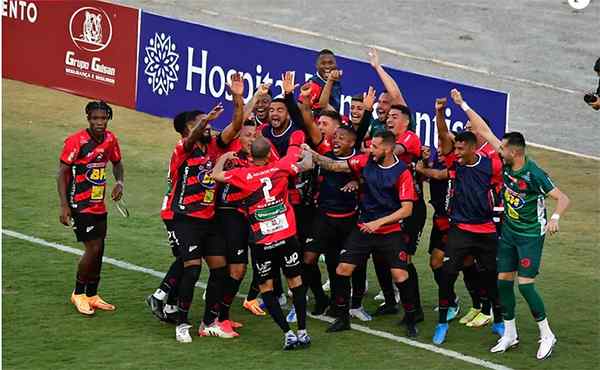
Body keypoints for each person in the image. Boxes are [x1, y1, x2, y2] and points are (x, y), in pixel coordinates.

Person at [460, 89, 570, 360]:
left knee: (526, 285)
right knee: (503, 283)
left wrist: (555, 218)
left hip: (531, 235)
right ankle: (510, 334)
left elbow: (563, 198)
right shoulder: (507, 160)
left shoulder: (534, 174)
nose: (500, 150)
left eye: (504, 148)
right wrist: (462, 104)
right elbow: (483, 130)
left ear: (515, 152)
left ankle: (547, 334)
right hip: (509, 232)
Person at [156, 73, 246, 343]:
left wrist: (238, 98)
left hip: (210, 220)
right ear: (187, 129)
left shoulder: (215, 148)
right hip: (186, 219)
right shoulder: (181, 150)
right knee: (192, 269)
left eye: (205, 123)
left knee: (220, 270)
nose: (207, 128)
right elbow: (193, 136)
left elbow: (237, 125)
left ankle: (209, 322)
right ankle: (181, 324)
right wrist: (204, 121)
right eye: (198, 124)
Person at [308, 130, 419, 337]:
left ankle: (411, 318)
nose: (370, 150)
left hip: (389, 231)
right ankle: (342, 318)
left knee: (400, 275)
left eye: (375, 147)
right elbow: (334, 165)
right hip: (364, 228)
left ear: (387, 149)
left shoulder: (402, 172)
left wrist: (379, 223)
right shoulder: (364, 161)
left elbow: (407, 210)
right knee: (342, 270)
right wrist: (311, 154)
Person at [212, 137, 314, 350]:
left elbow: (216, 175)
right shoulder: (281, 166)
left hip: (262, 241)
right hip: (287, 236)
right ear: (269, 154)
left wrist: (223, 158)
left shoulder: (243, 174)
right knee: (295, 281)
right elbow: (307, 164)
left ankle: (287, 334)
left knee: (266, 286)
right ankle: (303, 331)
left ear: (250, 156)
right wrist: (306, 151)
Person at [423, 127, 502, 346]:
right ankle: (442, 324)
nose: (456, 152)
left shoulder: (490, 165)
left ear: (471, 147)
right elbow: (442, 137)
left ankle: (498, 319)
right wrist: (439, 112)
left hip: (486, 230)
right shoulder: (454, 164)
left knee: (490, 275)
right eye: (454, 148)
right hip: (460, 229)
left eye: (460, 148)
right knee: (447, 274)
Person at [58, 101, 124, 316]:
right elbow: (62, 174)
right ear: (88, 118)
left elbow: (117, 163)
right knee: (93, 248)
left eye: (103, 118)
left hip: (98, 204)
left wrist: (119, 182)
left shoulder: (110, 139)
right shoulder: (76, 141)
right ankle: (78, 293)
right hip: (79, 203)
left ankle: (93, 294)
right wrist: (65, 205)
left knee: (100, 248)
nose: (99, 122)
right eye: (95, 118)